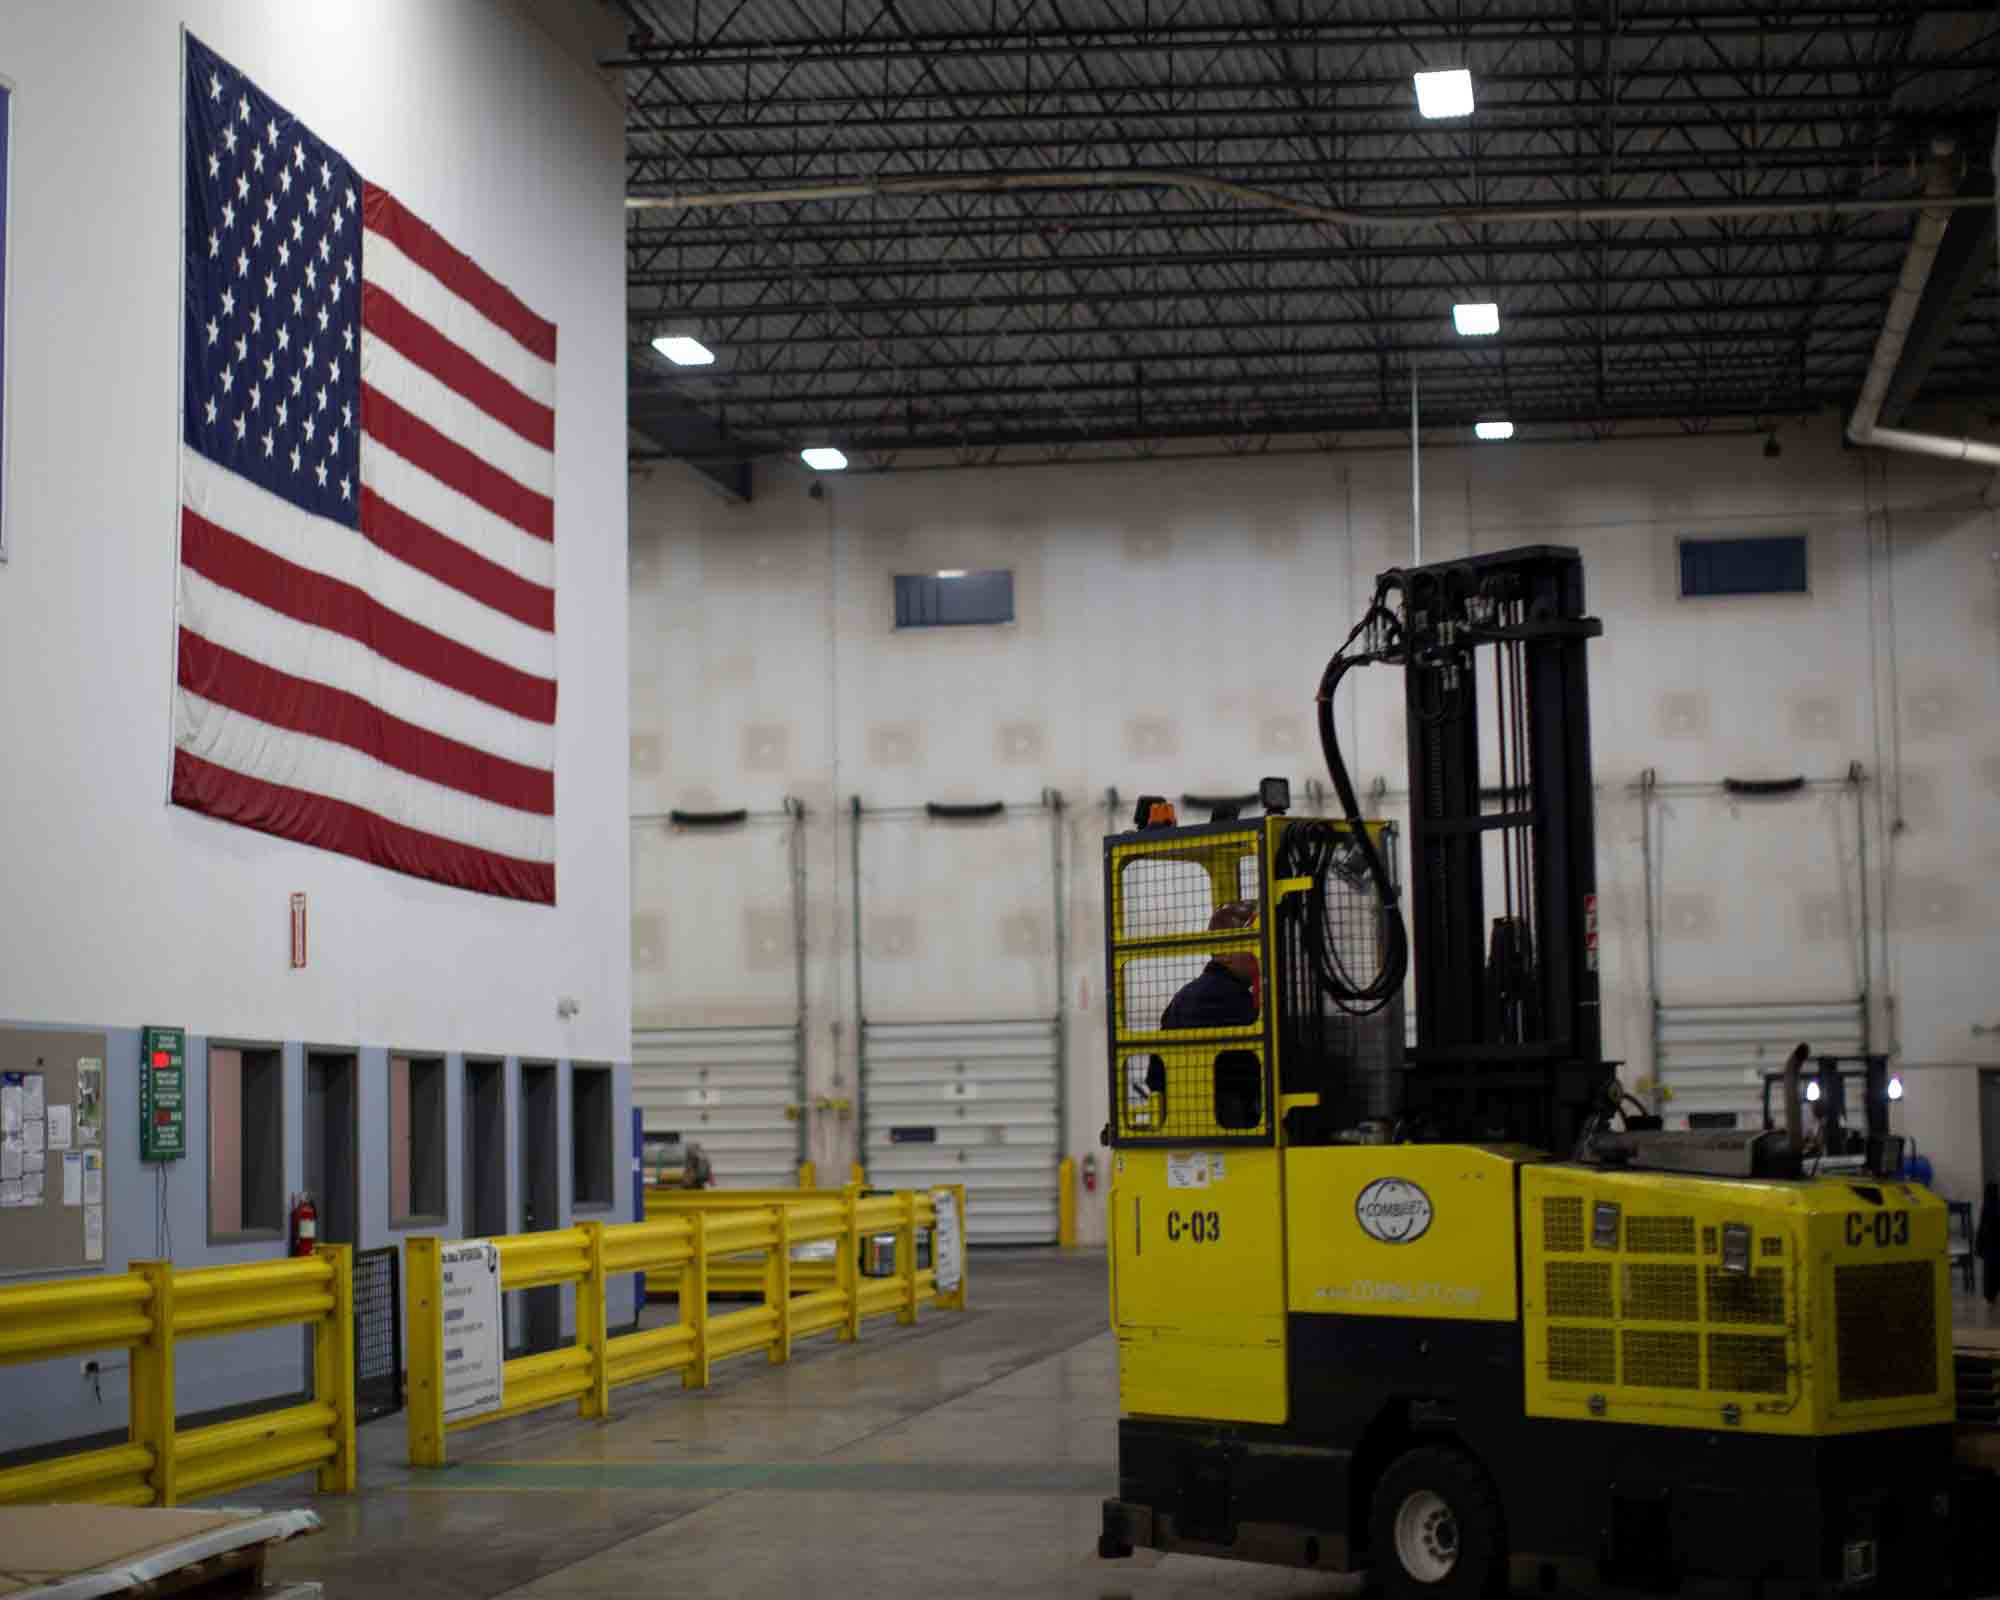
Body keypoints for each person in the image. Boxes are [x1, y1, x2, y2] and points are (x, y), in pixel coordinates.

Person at [1160, 900, 1261, 1030]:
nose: (1262, 951)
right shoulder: (1226, 1000)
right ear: (1223, 952)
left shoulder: (1186, 995)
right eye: (1253, 942)